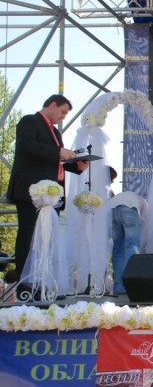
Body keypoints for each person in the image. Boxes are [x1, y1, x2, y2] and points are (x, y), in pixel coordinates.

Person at [7, 94, 89, 277]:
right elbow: (28, 146)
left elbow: (55, 160)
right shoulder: (29, 122)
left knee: (48, 240)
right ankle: (25, 281)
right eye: (63, 112)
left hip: (52, 196)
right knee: (29, 236)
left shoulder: (56, 133)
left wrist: (75, 165)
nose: (63, 117)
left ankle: (44, 280)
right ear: (53, 105)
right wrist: (59, 151)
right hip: (32, 192)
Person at [107, 186, 148, 295]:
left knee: (118, 249)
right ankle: (130, 284)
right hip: (129, 208)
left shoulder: (131, 197)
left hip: (112, 209)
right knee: (132, 246)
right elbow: (145, 225)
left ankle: (119, 286)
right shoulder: (144, 205)